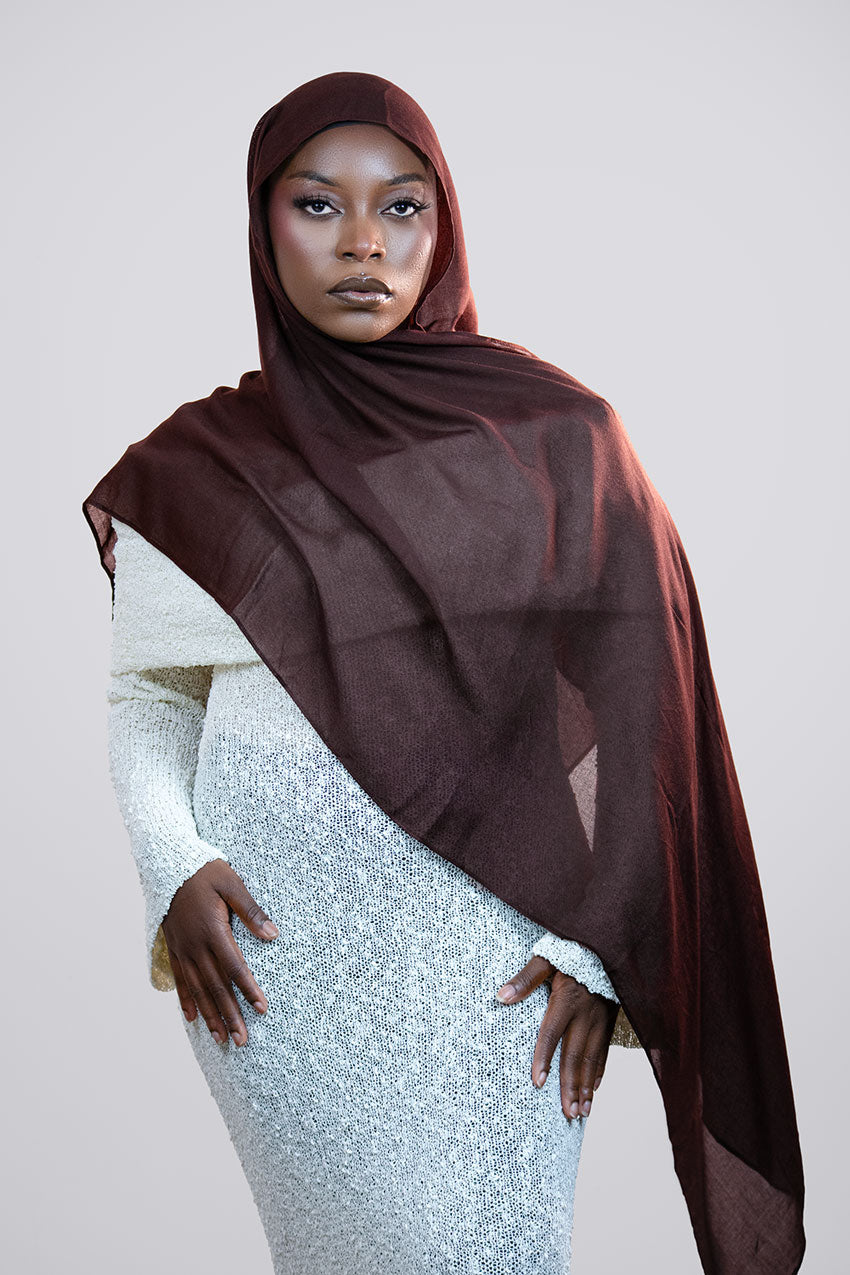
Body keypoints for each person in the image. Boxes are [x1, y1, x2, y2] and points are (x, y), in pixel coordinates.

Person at [83, 72, 805, 1275]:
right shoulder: (195, 468)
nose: (363, 242)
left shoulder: (558, 441)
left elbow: (645, 718)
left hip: (498, 957)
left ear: (445, 223)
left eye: (401, 206)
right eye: (318, 204)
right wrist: (173, 865)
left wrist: (594, 946)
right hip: (273, 965)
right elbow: (152, 693)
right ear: (262, 226)